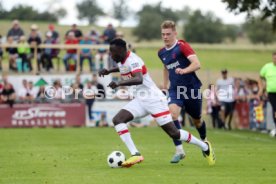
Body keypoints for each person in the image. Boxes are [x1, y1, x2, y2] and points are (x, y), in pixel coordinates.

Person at [98, 38, 215, 168]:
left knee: (174, 133)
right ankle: (135, 154)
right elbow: (122, 68)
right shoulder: (122, 60)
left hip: (154, 100)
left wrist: (119, 83)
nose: (111, 55)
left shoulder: (134, 60)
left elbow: (138, 79)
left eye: (113, 52)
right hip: (140, 100)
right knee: (118, 120)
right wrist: (109, 71)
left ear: (121, 50)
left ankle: (205, 146)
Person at [158, 20, 209, 163]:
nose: (165, 37)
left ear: (175, 33)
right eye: (163, 34)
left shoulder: (182, 47)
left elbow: (197, 64)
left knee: (197, 121)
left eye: (168, 34)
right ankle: (179, 150)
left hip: (192, 89)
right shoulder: (161, 52)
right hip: (175, 90)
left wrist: (184, 70)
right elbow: (165, 67)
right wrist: (165, 86)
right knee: (172, 114)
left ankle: (205, 141)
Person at [258, 51, 276, 136]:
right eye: (274, 57)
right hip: (271, 93)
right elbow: (260, 77)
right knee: (275, 109)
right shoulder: (267, 67)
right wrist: (262, 88)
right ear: (272, 58)